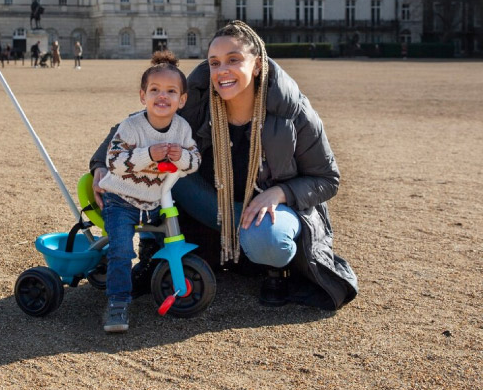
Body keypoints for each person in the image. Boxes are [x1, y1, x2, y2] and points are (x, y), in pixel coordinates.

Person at [91, 20, 358, 310]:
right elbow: (140, 124)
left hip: (267, 212)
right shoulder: (197, 98)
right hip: (213, 206)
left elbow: (327, 179)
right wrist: (100, 166)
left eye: (234, 60)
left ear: (256, 64)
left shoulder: (292, 110)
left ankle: (273, 269)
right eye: (214, 63)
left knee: (268, 237)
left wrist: (279, 193)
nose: (222, 71)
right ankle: (153, 253)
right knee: (157, 167)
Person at [98, 52, 201, 333]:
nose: (162, 96)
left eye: (171, 91)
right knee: (120, 249)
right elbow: (114, 162)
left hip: (154, 200)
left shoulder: (181, 128)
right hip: (121, 199)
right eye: (154, 90)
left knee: (156, 241)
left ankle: (148, 274)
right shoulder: (131, 127)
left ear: (182, 100)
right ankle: (118, 300)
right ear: (143, 96)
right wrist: (147, 155)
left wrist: (181, 157)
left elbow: (195, 161)